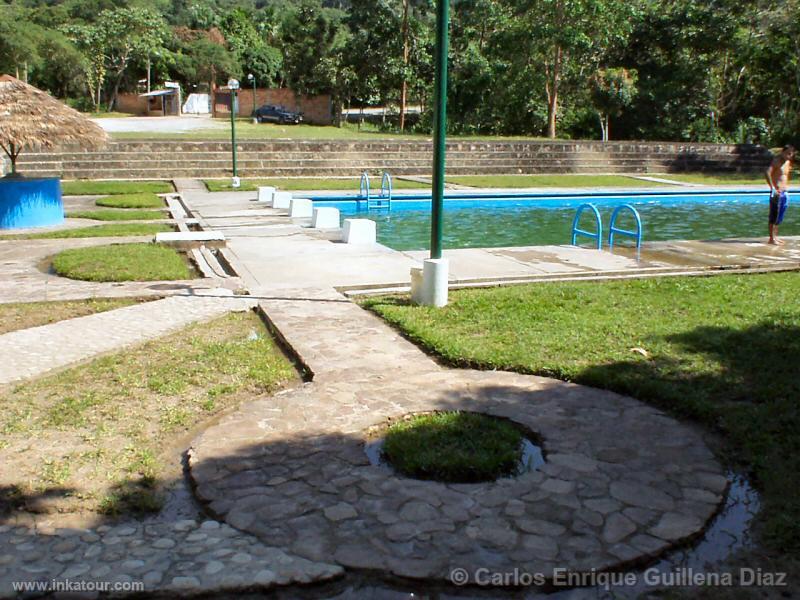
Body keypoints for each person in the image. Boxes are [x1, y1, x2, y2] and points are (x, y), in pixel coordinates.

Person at [765, 144, 796, 245]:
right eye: (787, 154)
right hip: (776, 193)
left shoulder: (788, 162)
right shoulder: (776, 161)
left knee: (779, 217)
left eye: (791, 154)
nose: (789, 156)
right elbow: (767, 172)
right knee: (773, 215)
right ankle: (771, 238)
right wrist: (772, 188)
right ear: (783, 152)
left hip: (784, 192)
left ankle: (775, 237)